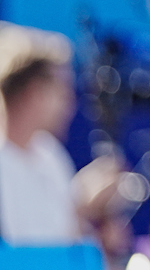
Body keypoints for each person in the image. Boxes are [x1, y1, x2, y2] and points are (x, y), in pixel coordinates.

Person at [0, 28, 120, 247]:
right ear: (35, 93)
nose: (70, 104)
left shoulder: (51, 155)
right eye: (63, 91)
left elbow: (67, 241)